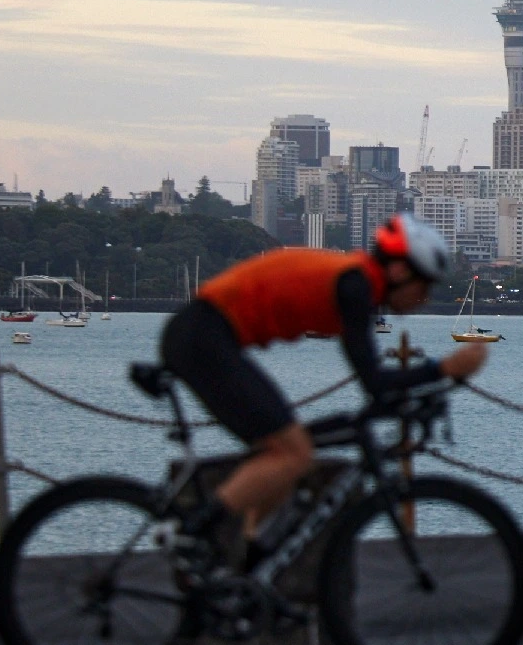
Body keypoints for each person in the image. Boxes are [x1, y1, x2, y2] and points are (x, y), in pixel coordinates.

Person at [158, 214, 487, 548]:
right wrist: (444, 369)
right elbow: (374, 382)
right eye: (425, 285)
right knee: (293, 453)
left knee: (284, 458)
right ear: (400, 271)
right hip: (204, 339)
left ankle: (246, 561)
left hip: (201, 334)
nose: (426, 298)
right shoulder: (354, 285)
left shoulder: (357, 283)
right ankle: (192, 532)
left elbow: (374, 384)